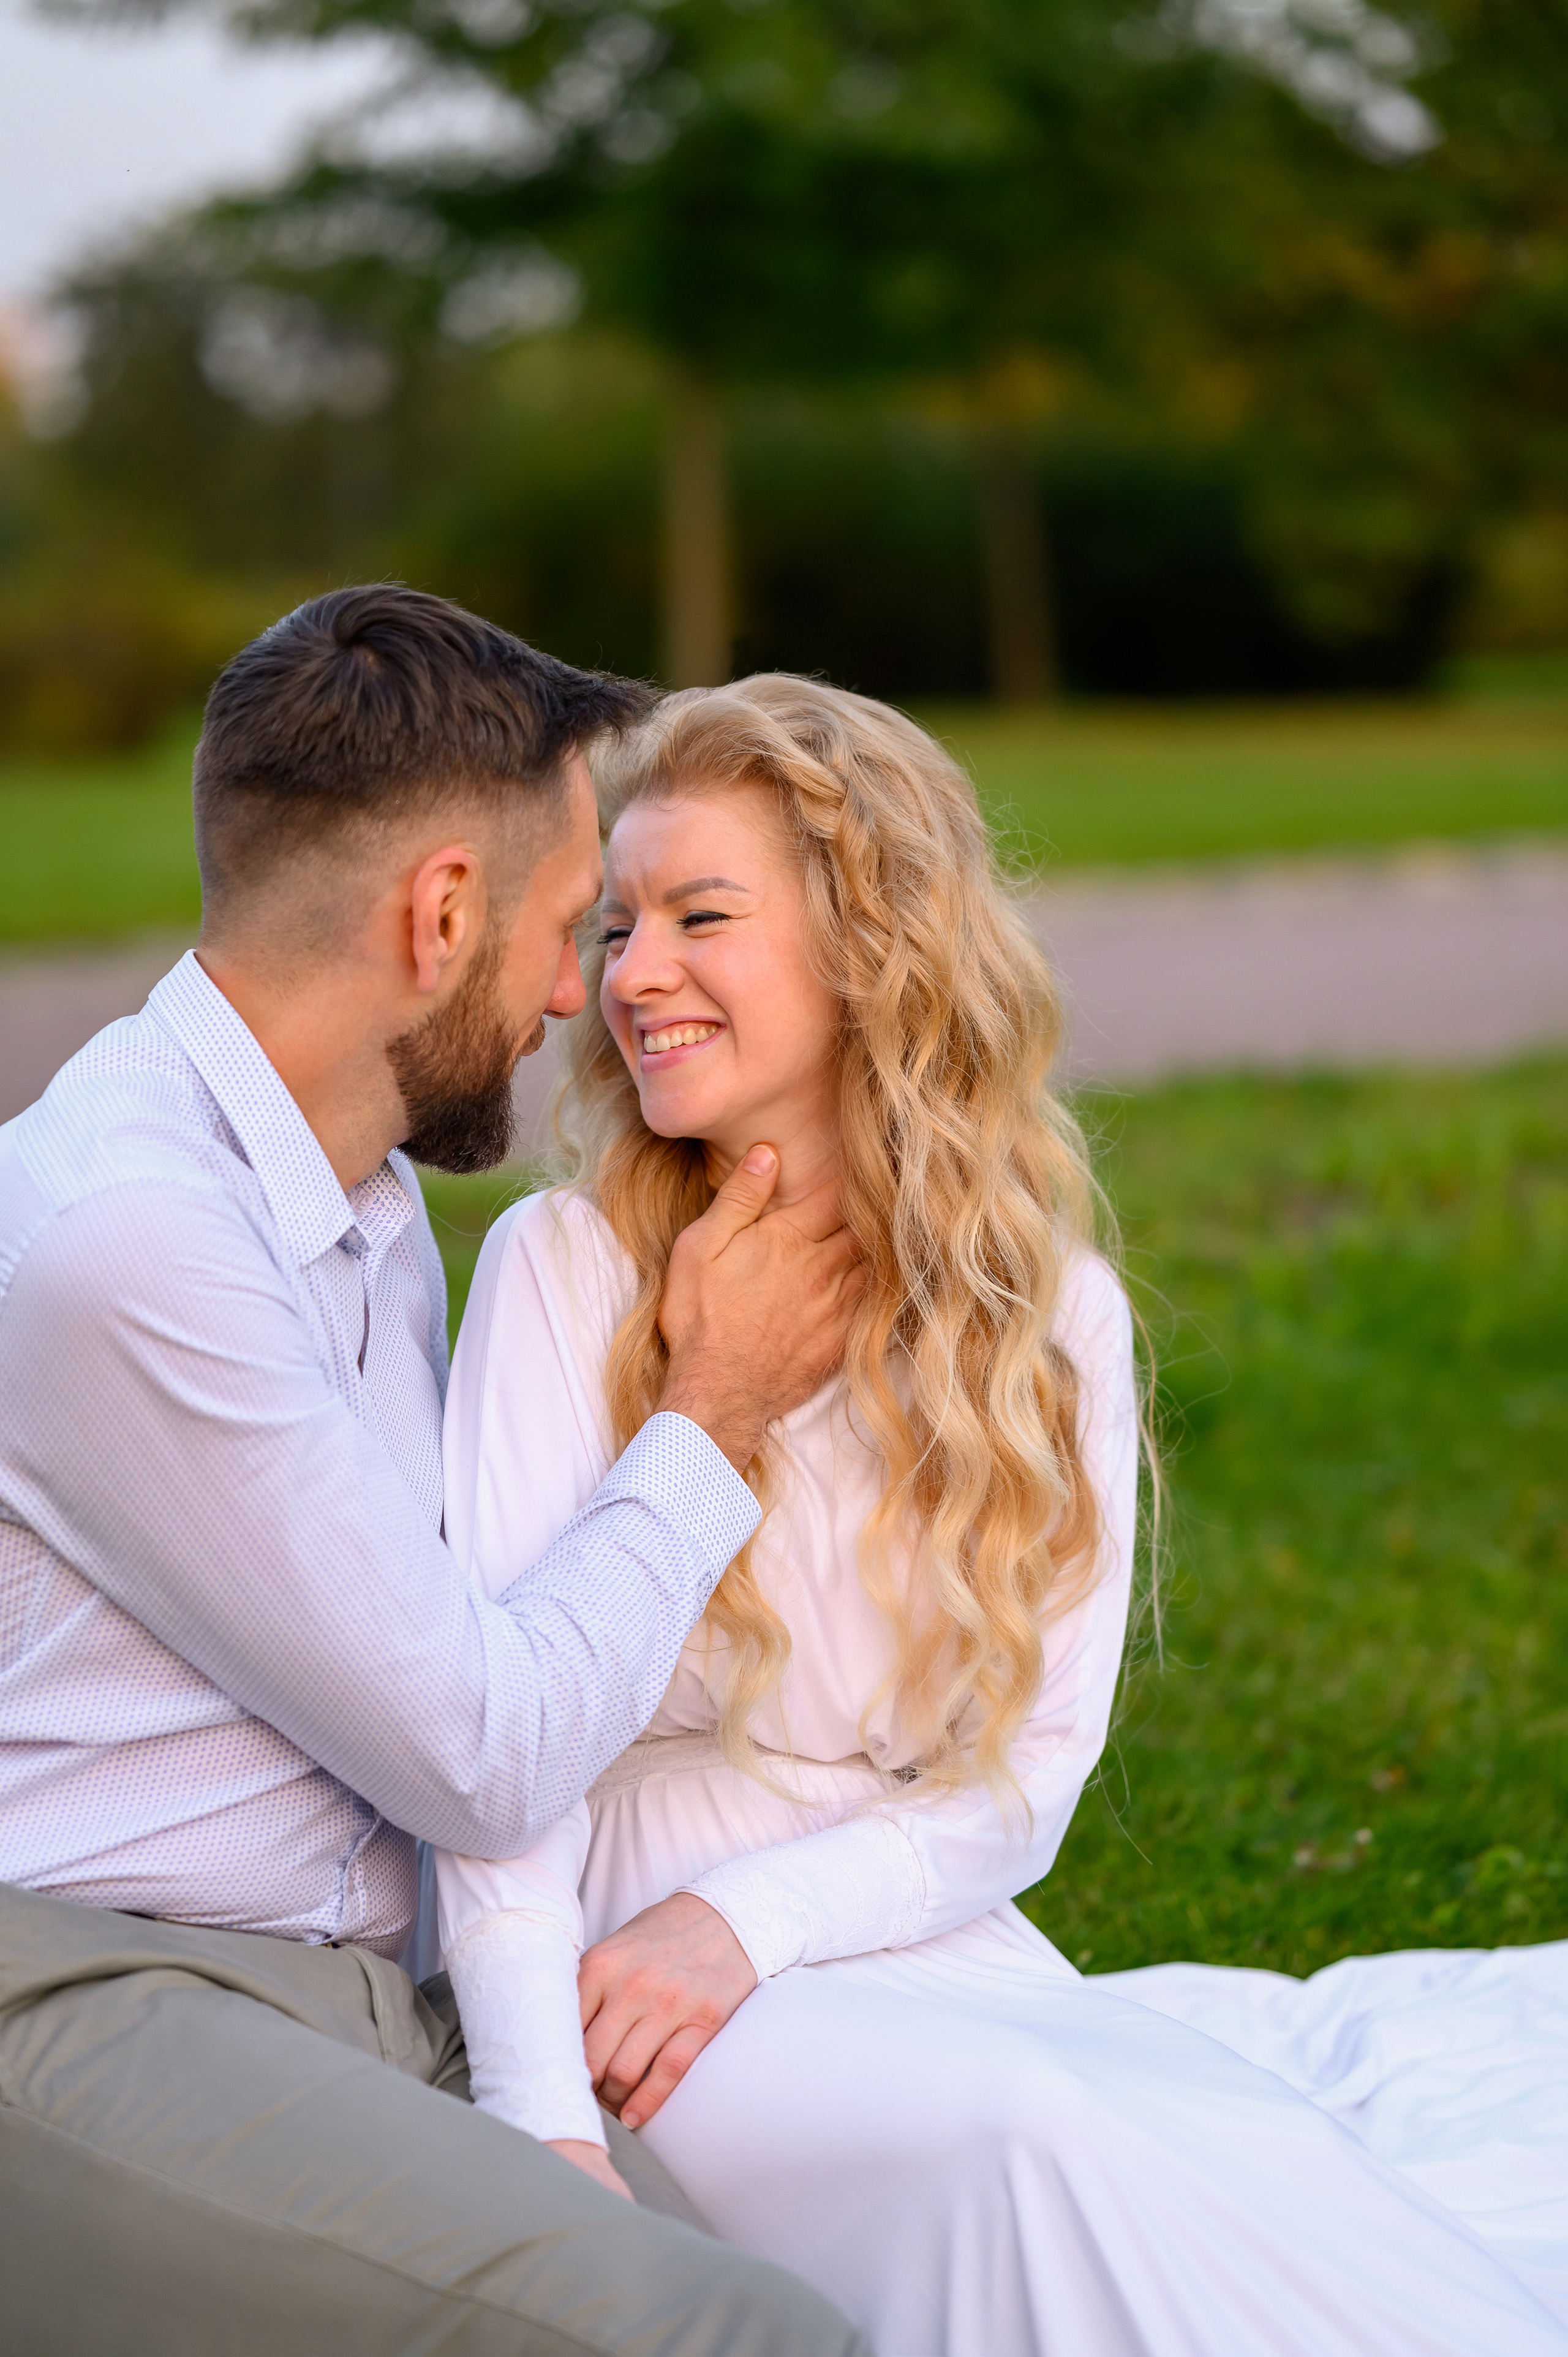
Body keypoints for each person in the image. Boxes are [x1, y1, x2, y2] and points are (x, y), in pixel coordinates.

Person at [434, 673, 1568, 2356]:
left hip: (903, 1920)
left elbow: (1026, 1780)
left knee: (1237, 2156)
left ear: (866, 944)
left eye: (699, 914)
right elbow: (494, 1756)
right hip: (613, 1968)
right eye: (616, 925)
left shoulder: (1047, 1316)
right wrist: (538, 2126)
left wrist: (755, 1922)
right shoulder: (565, 1272)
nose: (630, 974)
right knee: (1039, 2147)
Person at [0, 591, 873, 2357]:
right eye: (568, 926)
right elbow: (480, 1751)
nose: (583, 991)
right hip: (97, 1992)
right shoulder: (131, 1241)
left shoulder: (368, 1191)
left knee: (817, 2297)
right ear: (442, 913)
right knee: (742, 2339)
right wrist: (712, 1413)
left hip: (379, 1998)